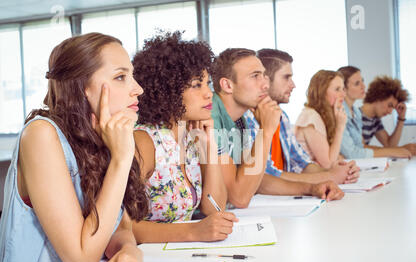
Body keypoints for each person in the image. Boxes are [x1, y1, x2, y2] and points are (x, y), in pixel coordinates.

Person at [0, 33, 147, 262]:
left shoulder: (102, 135)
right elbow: (83, 261)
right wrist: (121, 159)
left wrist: (129, 248)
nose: (138, 88)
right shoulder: (41, 135)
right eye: (121, 77)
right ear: (83, 87)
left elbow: (119, 227)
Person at [131, 32, 238, 243]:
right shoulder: (144, 142)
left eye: (208, 84)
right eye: (197, 85)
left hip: (182, 256)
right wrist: (193, 232)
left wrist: (209, 146)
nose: (209, 94)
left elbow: (213, 206)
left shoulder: (190, 139)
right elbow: (122, 227)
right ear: (167, 89)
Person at [210, 48, 345, 209]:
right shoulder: (212, 116)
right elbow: (240, 197)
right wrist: (266, 131)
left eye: (263, 76)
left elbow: (250, 181)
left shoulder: (239, 121)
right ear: (227, 85)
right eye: (255, 76)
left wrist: (312, 188)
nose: (265, 84)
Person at [244, 49, 359, 181]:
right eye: (286, 77)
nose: (293, 85)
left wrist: (340, 173)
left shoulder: (283, 118)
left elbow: (301, 163)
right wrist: (330, 176)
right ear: (265, 79)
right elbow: (267, 176)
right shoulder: (248, 119)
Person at [338, 66, 414, 159]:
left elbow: (362, 147)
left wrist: (401, 118)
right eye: (357, 83)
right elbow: (353, 152)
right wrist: (395, 150)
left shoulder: (356, 113)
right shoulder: (341, 114)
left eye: (362, 81)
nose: (363, 86)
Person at [294, 70, 348, 169]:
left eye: (343, 89)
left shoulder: (321, 116)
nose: (343, 94)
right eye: (337, 89)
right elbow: (328, 164)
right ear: (322, 92)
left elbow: (336, 157)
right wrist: (340, 127)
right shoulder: (311, 117)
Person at [361, 76, 416, 156]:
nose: (390, 112)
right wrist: (400, 149)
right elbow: (360, 149)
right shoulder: (354, 116)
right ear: (378, 96)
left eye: (393, 108)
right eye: (390, 105)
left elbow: (389, 145)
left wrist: (401, 118)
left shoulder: (374, 120)